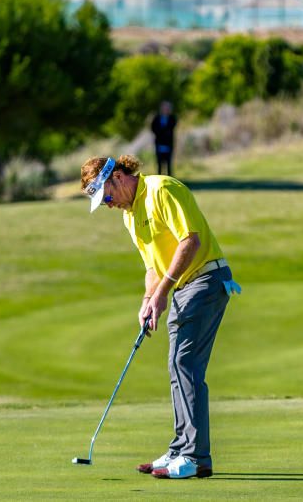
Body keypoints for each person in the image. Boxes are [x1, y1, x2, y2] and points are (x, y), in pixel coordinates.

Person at [80, 155, 241, 480]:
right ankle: (182, 447)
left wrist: (163, 292)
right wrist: (147, 299)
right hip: (183, 286)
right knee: (177, 365)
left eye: (107, 196)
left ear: (119, 177)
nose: (108, 204)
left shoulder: (162, 189)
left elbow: (190, 241)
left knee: (184, 364)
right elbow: (152, 265)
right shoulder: (130, 215)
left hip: (206, 278)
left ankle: (195, 457)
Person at [150, 101, 177, 176]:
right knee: (159, 164)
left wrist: (162, 131)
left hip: (168, 144)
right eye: (164, 108)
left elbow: (170, 128)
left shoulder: (172, 118)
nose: (166, 109)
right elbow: (153, 128)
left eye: (167, 108)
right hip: (159, 144)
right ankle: (159, 178)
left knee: (168, 164)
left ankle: (170, 179)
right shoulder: (157, 118)